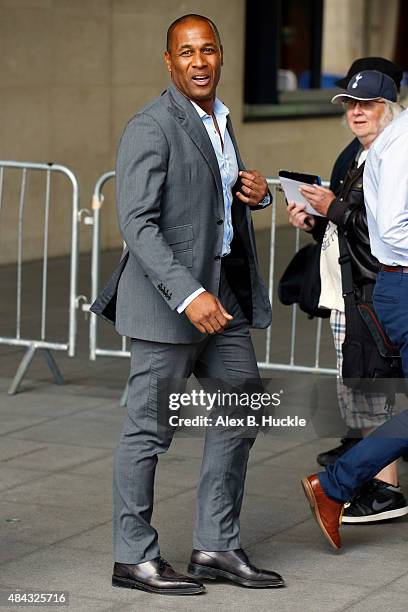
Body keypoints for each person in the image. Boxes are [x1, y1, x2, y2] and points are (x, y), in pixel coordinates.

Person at [91, 14, 284, 596]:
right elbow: (140, 224)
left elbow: (205, 203)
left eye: (208, 50)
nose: (199, 62)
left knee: (241, 407)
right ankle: (134, 557)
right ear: (169, 63)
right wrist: (189, 293)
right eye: (186, 52)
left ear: (222, 57)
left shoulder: (219, 122)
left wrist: (251, 193)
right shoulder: (151, 125)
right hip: (171, 301)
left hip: (219, 295)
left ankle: (215, 546)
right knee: (149, 431)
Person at [287, 69, 407, 523]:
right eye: (350, 105)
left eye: (367, 104)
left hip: (375, 291)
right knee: (366, 392)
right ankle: (367, 486)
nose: (356, 112)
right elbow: (366, 230)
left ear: (389, 110)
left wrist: (330, 209)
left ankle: (361, 486)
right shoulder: (363, 156)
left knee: (373, 392)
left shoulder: (389, 156)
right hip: (361, 290)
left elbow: (376, 233)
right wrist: (319, 220)